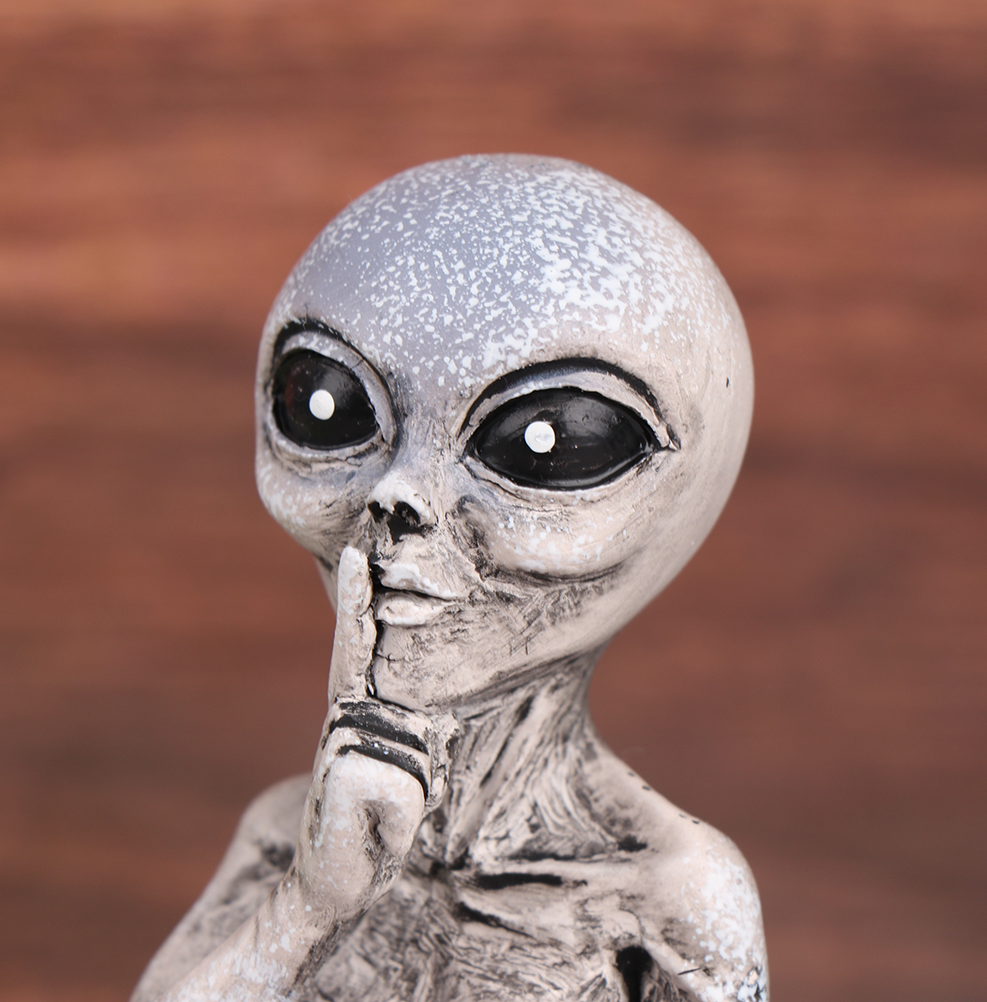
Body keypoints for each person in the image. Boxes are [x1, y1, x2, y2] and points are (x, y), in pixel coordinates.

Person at [132, 154, 767, 1002]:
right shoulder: (291, 836)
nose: (399, 496)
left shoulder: (670, 895)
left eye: (547, 441)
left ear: (684, 492)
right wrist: (311, 909)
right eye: (329, 406)